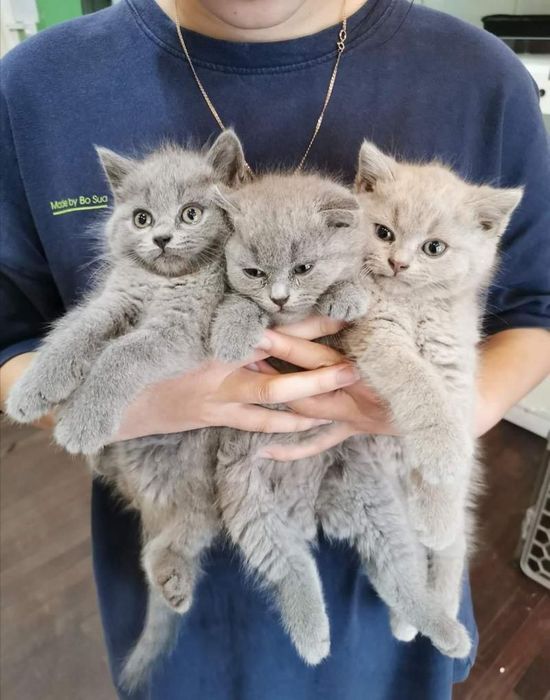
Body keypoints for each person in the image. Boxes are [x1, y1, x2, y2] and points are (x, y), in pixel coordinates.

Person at [1, 0, 549, 698]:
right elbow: (11, 337)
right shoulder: (38, 86)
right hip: (186, 569)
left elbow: (537, 307)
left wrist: (441, 409)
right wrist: (135, 400)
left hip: (380, 583)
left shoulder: (477, 76)